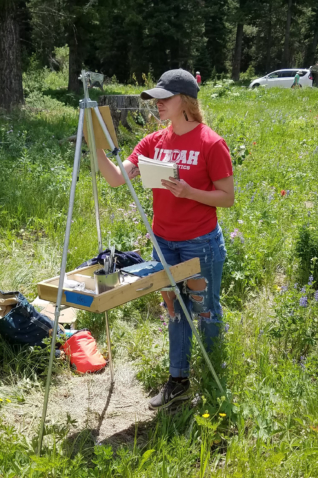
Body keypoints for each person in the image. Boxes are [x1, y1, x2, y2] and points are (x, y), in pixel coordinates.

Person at [96, 69, 234, 410]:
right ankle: (179, 380)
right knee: (175, 310)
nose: (156, 105)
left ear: (185, 101)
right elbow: (116, 179)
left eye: (163, 99)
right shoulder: (153, 143)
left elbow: (227, 197)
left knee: (206, 312)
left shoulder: (210, 143)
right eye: (155, 99)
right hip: (164, 242)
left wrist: (189, 192)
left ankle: (214, 376)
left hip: (200, 242)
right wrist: (95, 145)